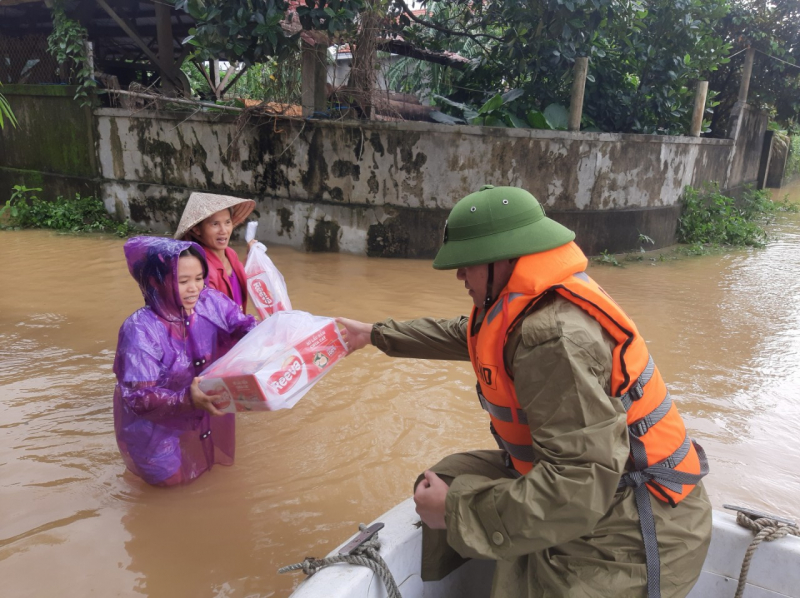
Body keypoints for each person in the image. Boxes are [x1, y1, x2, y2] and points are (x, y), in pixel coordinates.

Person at [338, 185, 711, 598]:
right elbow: (466, 335)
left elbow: (581, 483)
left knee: (462, 505)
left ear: (507, 258)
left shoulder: (551, 338)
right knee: (448, 476)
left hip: (638, 523)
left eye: (468, 263)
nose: (459, 274)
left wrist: (456, 511)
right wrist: (373, 335)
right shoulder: (523, 304)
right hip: (603, 485)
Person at [113, 236, 257, 486]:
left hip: (202, 409)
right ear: (155, 282)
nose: (195, 288)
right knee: (169, 485)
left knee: (209, 470)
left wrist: (272, 334)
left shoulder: (211, 302)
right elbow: (139, 397)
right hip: (154, 427)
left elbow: (242, 326)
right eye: (183, 281)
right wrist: (186, 400)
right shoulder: (140, 330)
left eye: (199, 278)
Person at [174, 192, 256, 313]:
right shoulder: (200, 267)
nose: (223, 230)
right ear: (197, 229)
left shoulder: (230, 253)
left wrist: (252, 257)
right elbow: (212, 313)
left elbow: (236, 280)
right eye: (215, 224)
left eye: (227, 222)